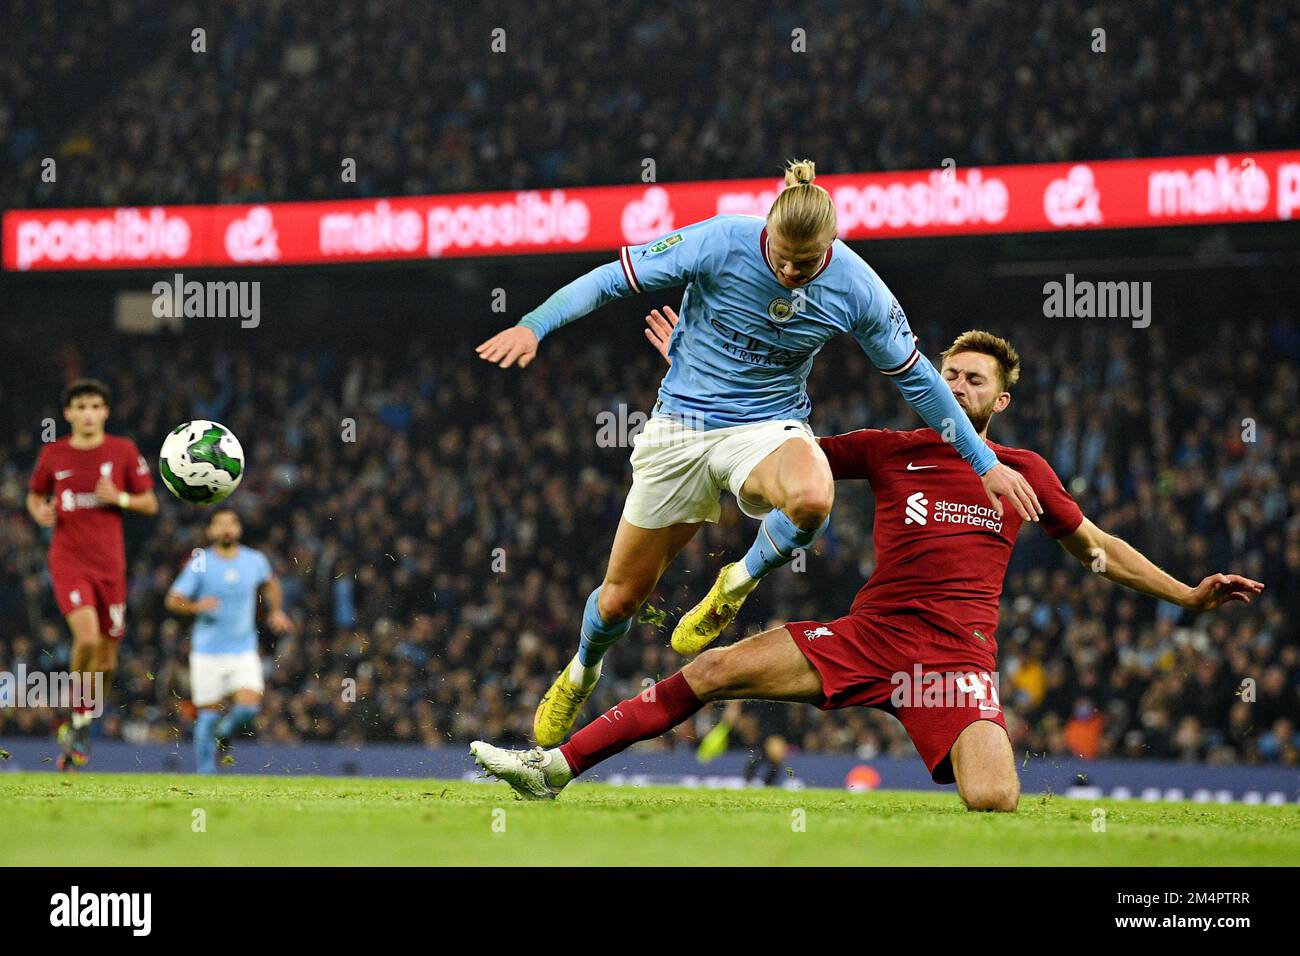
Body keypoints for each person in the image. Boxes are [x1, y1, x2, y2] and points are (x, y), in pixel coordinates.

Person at [470, 325, 1263, 809]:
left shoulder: (1023, 471)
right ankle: (553, 767)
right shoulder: (894, 450)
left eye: (972, 380)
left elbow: (1099, 549)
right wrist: (703, 372)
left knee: (994, 798)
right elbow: (780, 446)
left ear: (1000, 403)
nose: (953, 386)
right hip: (866, 635)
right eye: (948, 374)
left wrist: (1187, 596)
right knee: (708, 672)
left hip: (956, 663)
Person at [475, 159, 1040, 748]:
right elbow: (610, 279)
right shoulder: (720, 239)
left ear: (830, 247)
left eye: (805, 263)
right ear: (767, 229)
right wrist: (535, 325)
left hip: (766, 428)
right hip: (681, 427)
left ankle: (735, 585)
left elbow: (919, 379)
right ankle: (579, 671)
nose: (790, 272)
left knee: (813, 497)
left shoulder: (857, 285)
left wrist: (985, 462)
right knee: (619, 601)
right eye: (780, 257)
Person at [26, 379, 159, 769]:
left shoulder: (123, 450)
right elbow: (34, 494)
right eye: (79, 406)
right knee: (85, 637)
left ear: (105, 412)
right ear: (68, 414)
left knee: (107, 662)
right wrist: (39, 512)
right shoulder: (53, 453)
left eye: (94, 406)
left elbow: (149, 502)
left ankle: (81, 722)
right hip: (69, 561)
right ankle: (79, 719)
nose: (87, 413)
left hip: (110, 567)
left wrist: (117, 497)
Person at [165, 508, 292, 773]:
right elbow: (173, 599)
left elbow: (271, 584)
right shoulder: (200, 562)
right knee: (207, 715)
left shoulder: (254, 560)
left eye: (231, 523)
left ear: (239, 530)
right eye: (219, 524)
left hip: (243, 648)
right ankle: (206, 774)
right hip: (207, 651)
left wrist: (276, 610)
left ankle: (224, 734)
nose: (226, 528)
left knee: (248, 708)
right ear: (210, 531)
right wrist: (196, 606)